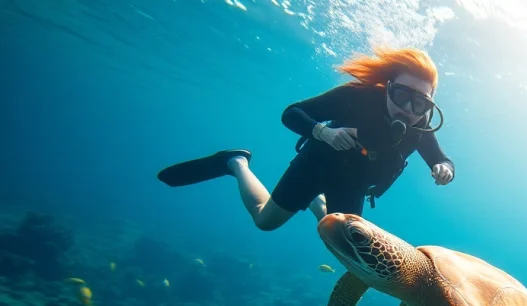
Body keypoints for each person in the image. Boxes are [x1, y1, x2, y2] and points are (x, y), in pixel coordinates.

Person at [156, 46, 455, 230]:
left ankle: (316, 202)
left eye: (420, 104)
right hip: (317, 163)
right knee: (265, 222)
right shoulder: (357, 96)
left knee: (340, 240)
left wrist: (444, 169)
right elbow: (292, 113)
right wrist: (324, 132)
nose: (407, 109)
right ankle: (235, 162)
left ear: (429, 106)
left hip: (354, 182)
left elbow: (440, 158)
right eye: (402, 95)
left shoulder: (420, 128)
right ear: (388, 86)